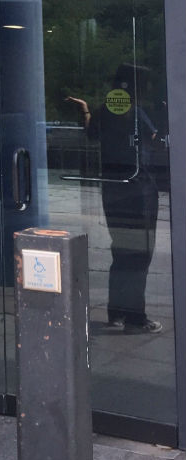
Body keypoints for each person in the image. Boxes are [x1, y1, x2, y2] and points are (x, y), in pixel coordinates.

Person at [66, 63, 161, 334]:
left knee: (121, 251)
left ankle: (117, 313)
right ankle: (135, 318)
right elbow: (154, 139)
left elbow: (91, 133)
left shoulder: (104, 112)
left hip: (112, 189)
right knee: (139, 255)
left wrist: (84, 108)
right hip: (139, 190)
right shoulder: (137, 113)